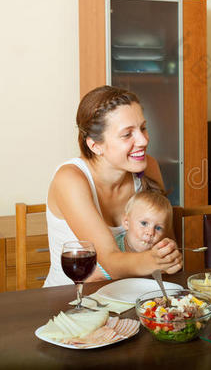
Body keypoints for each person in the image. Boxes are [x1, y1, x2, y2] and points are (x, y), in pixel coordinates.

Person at [44, 85, 182, 287]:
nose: (143, 140)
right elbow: (109, 261)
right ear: (95, 145)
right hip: (70, 301)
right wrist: (155, 260)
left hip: (129, 295)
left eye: (143, 128)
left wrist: (168, 257)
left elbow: (166, 243)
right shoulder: (70, 179)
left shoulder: (148, 166)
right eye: (127, 134)